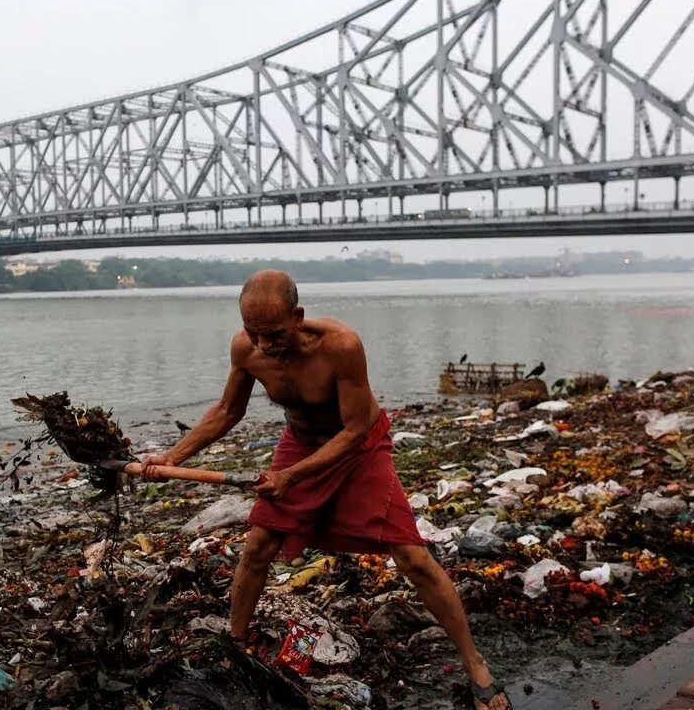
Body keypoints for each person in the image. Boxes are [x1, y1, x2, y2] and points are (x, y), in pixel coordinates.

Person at [140, 270, 511, 710]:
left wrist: (290, 477)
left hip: (358, 446)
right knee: (258, 544)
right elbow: (227, 410)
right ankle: (235, 649)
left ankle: (474, 663)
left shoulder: (341, 346)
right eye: (253, 333)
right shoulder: (247, 348)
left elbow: (355, 430)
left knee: (411, 555)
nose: (264, 345)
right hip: (300, 440)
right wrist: (171, 458)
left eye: (274, 334)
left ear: (298, 317)